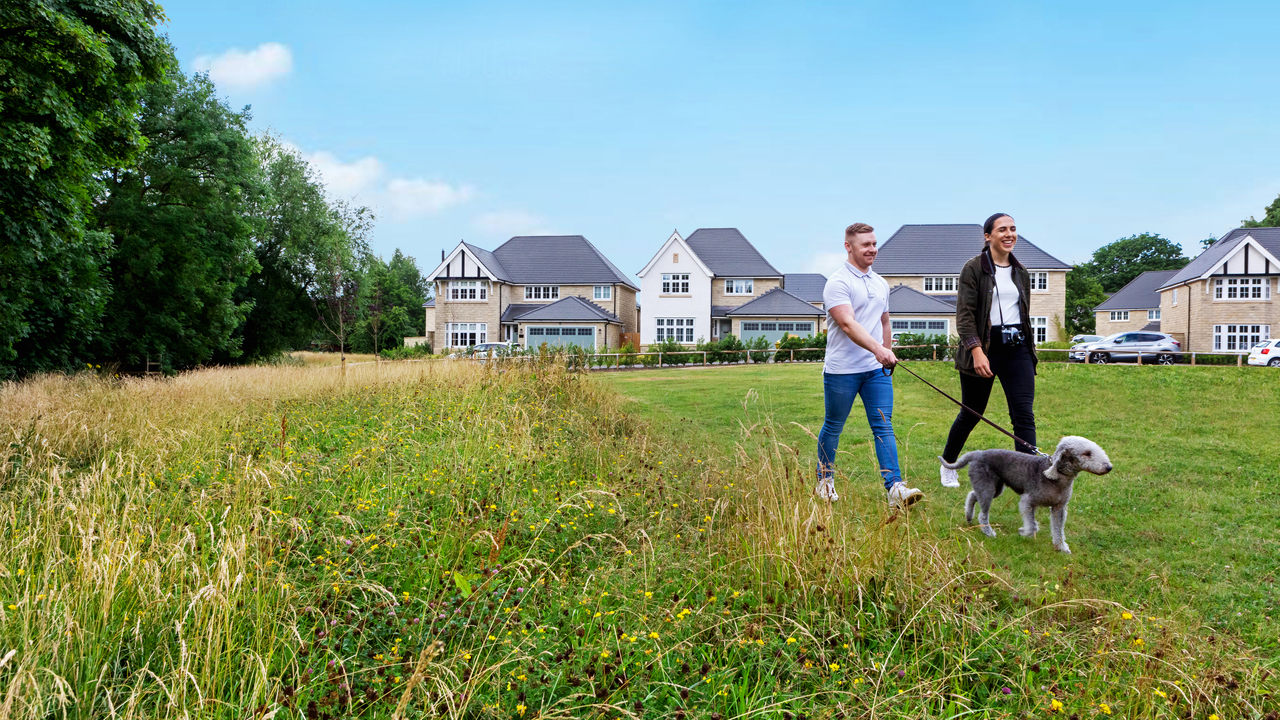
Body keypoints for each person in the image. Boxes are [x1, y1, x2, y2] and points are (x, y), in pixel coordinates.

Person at [817, 223, 923, 509]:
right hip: (842, 370)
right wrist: (879, 350)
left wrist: (886, 352)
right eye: (865, 244)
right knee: (834, 426)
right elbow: (848, 324)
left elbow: (884, 321)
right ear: (848, 246)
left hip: (876, 371)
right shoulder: (837, 283)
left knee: (883, 427)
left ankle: (895, 488)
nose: (872, 249)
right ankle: (825, 482)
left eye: (874, 244)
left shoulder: (880, 283)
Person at [939, 213, 1039, 488]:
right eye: (1002, 230)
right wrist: (976, 350)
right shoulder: (973, 269)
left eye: (1013, 229)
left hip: (1016, 347)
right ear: (988, 236)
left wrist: (1030, 353)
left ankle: (1030, 477)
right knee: (972, 411)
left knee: (1023, 414)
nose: (1009, 234)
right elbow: (965, 315)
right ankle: (949, 463)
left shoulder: (1021, 271)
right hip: (985, 345)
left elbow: (1024, 313)